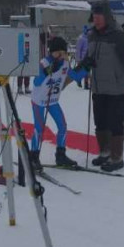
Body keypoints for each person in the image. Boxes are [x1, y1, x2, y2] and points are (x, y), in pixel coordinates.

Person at [87, 2, 124, 172]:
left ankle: (116, 157)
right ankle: (104, 152)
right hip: (98, 88)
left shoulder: (118, 36)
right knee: (100, 122)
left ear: (107, 17)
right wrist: (70, 77)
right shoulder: (92, 36)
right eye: (94, 17)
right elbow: (88, 61)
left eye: (99, 17)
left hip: (115, 89)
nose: (96, 20)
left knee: (114, 123)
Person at [29, 36, 92, 170]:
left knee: (62, 126)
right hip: (39, 101)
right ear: (53, 52)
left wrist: (86, 67)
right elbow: (36, 82)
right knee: (39, 129)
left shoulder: (64, 64)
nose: (63, 55)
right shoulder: (44, 63)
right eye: (60, 52)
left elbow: (75, 76)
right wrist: (45, 73)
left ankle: (60, 155)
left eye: (64, 52)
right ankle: (33, 157)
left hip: (52, 101)